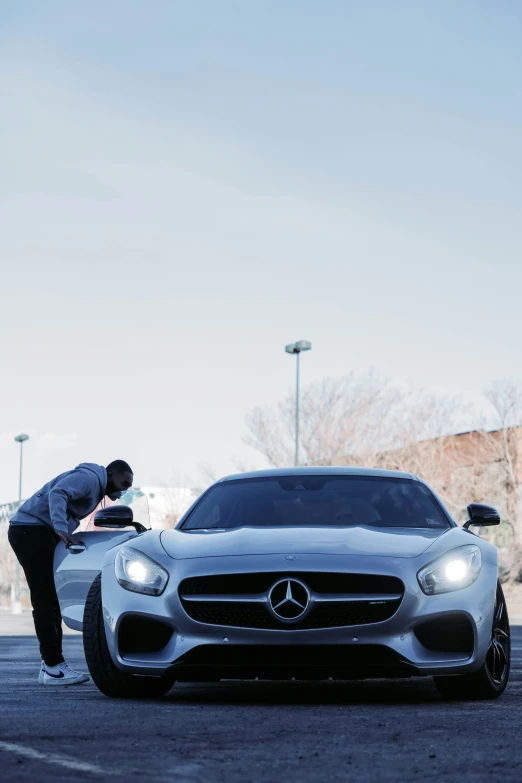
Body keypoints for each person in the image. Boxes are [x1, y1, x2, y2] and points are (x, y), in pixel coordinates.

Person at [8, 460, 133, 686]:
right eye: (123, 483)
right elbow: (58, 493)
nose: (122, 491)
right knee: (45, 600)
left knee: (50, 600)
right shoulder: (89, 479)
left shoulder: (94, 485)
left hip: (36, 531)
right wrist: (60, 528)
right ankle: (53, 668)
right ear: (111, 473)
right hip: (32, 531)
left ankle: (52, 665)